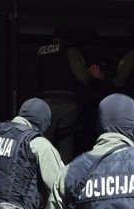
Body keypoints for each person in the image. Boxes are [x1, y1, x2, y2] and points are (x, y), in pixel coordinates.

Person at [36, 25, 96, 163]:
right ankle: (64, 174)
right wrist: (92, 76)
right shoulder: (70, 50)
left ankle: (43, 173)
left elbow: (36, 79)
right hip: (66, 105)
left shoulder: (41, 51)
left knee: (44, 146)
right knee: (65, 146)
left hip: (45, 104)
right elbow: (83, 77)